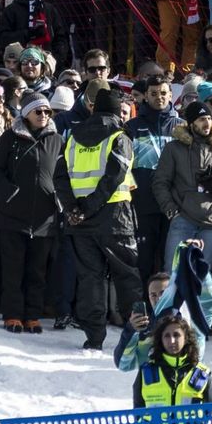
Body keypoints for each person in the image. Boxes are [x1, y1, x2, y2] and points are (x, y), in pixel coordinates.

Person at [58, 87, 139, 352]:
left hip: (80, 220)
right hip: (115, 216)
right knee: (126, 276)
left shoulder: (71, 137)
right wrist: (89, 207)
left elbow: (59, 177)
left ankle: (94, 338)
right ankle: (136, 334)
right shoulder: (120, 136)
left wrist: (73, 209)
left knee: (90, 278)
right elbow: (114, 177)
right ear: (118, 112)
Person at [0, 87, 67, 333]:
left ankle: (32, 314)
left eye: (47, 111)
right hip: (13, 217)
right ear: (27, 113)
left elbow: (63, 174)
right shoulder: (10, 137)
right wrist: (9, 193)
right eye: (38, 111)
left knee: (37, 271)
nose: (44, 114)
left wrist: (59, 200)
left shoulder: (57, 139)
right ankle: (12, 314)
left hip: (45, 218)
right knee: (13, 269)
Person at [153, 99, 212, 269]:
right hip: (182, 218)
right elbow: (160, 183)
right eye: (201, 119)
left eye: (209, 118)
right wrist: (172, 211)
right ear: (191, 123)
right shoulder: (174, 148)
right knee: (172, 273)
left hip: (211, 221)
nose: (207, 122)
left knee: (202, 279)